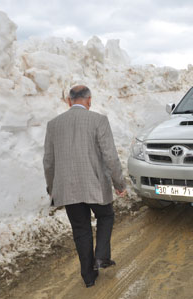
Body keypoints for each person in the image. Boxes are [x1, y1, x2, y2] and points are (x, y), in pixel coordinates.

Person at [43, 85, 127, 287]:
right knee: (106, 216)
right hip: (95, 186)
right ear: (89, 100)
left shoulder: (54, 124)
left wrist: (52, 187)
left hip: (68, 189)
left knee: (81, 230)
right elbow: (110, 157)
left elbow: (48, 161)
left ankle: (88, 277)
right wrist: (119, 183)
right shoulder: (98, 120)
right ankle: (101, 256)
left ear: (69, 101)